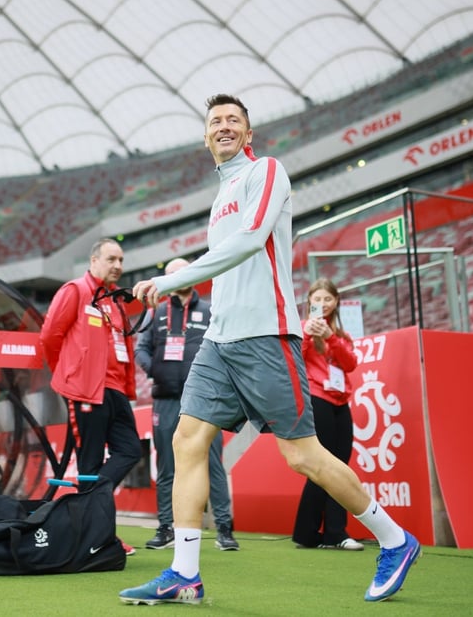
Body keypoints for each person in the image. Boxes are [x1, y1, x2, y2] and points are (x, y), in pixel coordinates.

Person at [120, 94, 420, 605]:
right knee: (187, 441)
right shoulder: (219, 197)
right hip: (219, 340)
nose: (224, 126)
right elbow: (226, 258)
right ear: (206, 138)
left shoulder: (267, 172)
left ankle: (395, 539)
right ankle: (184, 573)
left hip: (265, 336)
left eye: (233, 120)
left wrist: (177, 278)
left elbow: (252, 237)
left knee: (302, 455)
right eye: (215, 121)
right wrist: (190, 275)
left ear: (248, 133)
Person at [39, 237, 143, 554]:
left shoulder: (116, 302)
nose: (118, 266)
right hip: (85, 390)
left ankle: (93, 523)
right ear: (94, 260)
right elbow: (49, 337)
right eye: (111, 259)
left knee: (130, 451)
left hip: (114, 391)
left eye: (121, 260)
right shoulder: (75, 291)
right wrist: (70, 374)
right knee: (90, 462)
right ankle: (95, 538)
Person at [135, 258, 238, 552]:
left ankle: (225, 529)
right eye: (172, 274)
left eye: (184, 272)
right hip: (165, 399)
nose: (179, 277)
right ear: (165, 279)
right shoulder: (156, 313)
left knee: (213, 463)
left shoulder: (210, 310)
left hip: (205, 399)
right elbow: (140, 349)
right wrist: (156, 369)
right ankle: (166, 526)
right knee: (166, 464)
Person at [291, 278, 363, 551]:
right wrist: (309, 334)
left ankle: (333, 533)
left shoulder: (340, 333)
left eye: (327, 299)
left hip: (340, 400)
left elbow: (350, 363)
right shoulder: (301, 328)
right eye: (317, 299)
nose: (322, 304)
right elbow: (296, 359)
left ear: (336, 302)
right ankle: (311, 532)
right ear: (309, 301)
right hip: (317, 399)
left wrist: (331, 338)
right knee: (322, 466)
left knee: (341, 465)